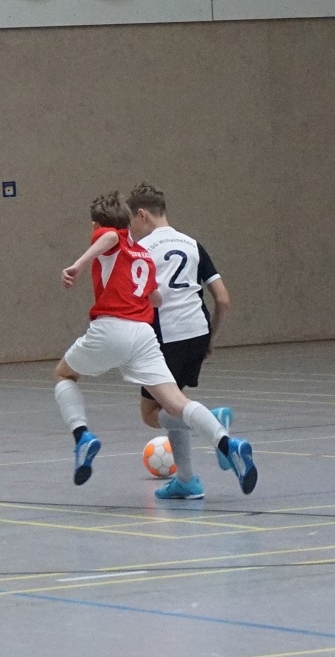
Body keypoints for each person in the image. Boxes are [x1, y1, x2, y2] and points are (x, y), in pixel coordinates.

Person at [53, 192, 257, 498]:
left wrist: (79, 264)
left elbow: (110, 237)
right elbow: (156, 298)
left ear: (96, 225)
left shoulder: (113, 238)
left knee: (64, 374)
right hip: (144, 336)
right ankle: (228, 444)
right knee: (175, 403)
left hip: (112, 328)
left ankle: (81, 435)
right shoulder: (143, 256)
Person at [128, 183, 235, 499]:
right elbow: (223, 299)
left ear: (143, 215)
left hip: (165, 337)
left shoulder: (141, 249)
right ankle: (187, 481)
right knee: (173, 402)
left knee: (151, 414)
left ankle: (212, 422)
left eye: (131, 222)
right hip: (197, 333)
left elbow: (140, 298)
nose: (130, 231)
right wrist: (212, 338)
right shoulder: (193, 245)